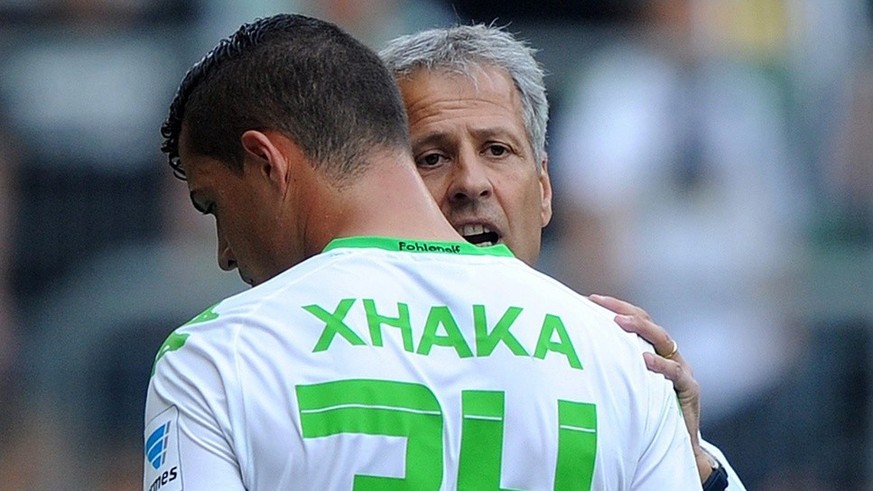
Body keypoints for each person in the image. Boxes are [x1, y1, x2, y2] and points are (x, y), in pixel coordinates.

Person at [145, 13, 699, 490]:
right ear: (391, 159)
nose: (222, 251)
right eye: (432, 156)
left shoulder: (216, 357)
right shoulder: (624, 361)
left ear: (268, 163)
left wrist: (698, 460)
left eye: (212, 204)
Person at [379, 24, 742, 490]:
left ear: (545, 190)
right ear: (382, 189)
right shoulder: (296, 349)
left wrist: (686, 459)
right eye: (432, 157)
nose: (471, 182)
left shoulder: (627, 376)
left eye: (497, 150)